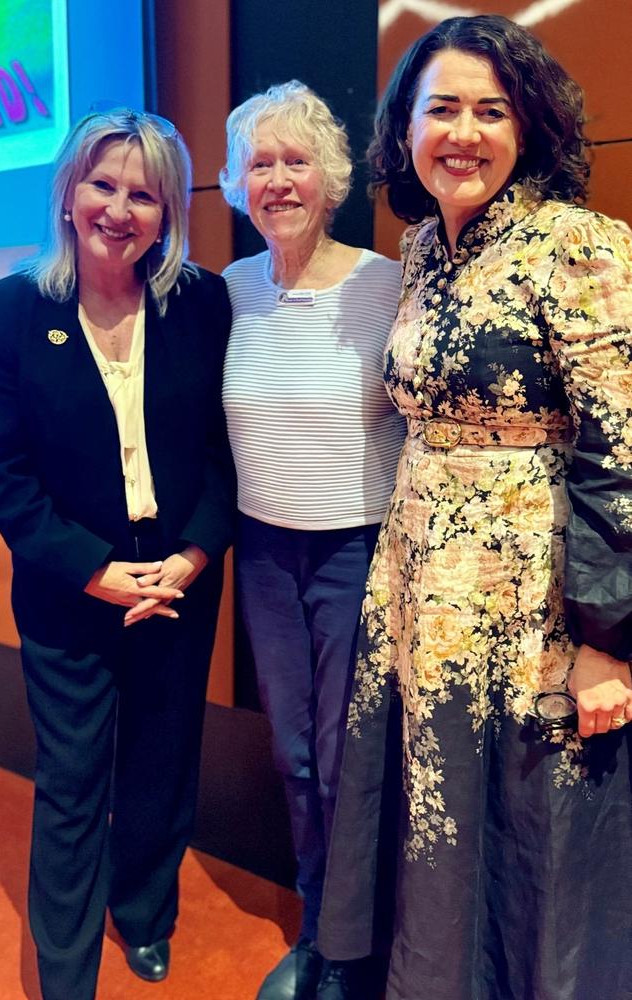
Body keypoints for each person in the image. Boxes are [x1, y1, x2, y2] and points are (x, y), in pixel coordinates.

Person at [317, 14, 632, 1000]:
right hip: (419, 590)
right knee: (431, 811)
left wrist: (604, 636)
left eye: (488, 111)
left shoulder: (574, 244)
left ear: (526, 126)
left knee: (531, 828)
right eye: (440, 108)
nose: (462, 133)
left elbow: (621, 448)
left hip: (532, 606)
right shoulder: (416, 250)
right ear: (403, 130)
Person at [0, 108, 234, 1000]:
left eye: (144, 193)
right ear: (68, 192)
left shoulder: (201, 302)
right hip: (67, 587)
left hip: (176, 580)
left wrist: (193, 558)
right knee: (74, 780)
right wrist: (92, 569)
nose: (120, 208)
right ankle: (66, 974)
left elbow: (218, 451)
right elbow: (2, 475)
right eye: (103, 184)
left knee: (164, 760)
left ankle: (147, 914)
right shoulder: (7, 313)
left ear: (168, 213)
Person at [219, 81, 404, 1000]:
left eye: (298, 162)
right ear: (237, 183)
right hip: (262, 554)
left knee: (344, 761)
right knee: (293, 756)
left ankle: (349, 948)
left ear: (331, 181)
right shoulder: (230, 292)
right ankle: (318, 925)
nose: (280, 180)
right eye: (262, 163)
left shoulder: (384, 284)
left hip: (356, 555)